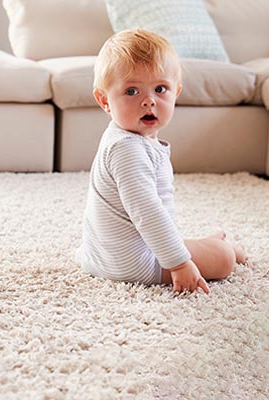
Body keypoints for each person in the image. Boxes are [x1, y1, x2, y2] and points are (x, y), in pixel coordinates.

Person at [75, 29, 246, 294]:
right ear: (104, 100)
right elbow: (148, 213)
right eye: (131, 91)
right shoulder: (127, 149)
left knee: (179, 241)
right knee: (223, 258)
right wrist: (179, 264)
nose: (148, 101)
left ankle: (195, 246)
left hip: (101, 255)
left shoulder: (122, 138)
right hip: (133, 264)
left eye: (160, 89)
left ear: (175, 92)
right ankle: (217, 249)